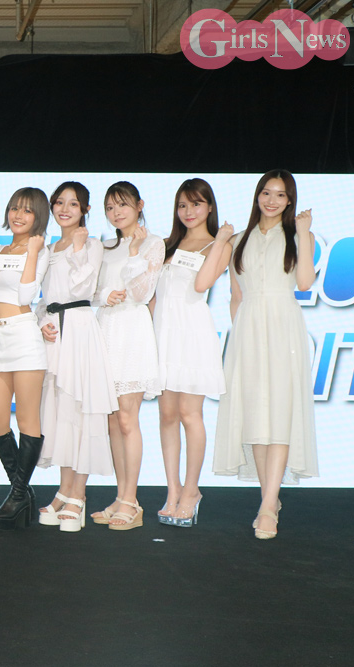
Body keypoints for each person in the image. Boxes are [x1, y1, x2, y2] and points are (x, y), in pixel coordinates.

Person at [205, 169, 318, 539]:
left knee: (281, 411)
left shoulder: (299, 236)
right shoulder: (239, 239)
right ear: (257, 196)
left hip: (284, 326)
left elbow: (304, 283)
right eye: (267, 193)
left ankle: (269, 505)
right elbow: (235, 296)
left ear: (290, 201)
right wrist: (239, 336)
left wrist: (303, 233)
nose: (272, 200)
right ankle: (267, 498)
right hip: (248, 330)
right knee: (255, 411)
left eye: (280, 195)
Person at [35, 182, 117, 532]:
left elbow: (83, 288)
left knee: (81, 411)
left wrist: (79, 248)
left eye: (73, 203)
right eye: (59, 202)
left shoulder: (93, 244)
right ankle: (63, 490)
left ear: (85, 209)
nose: (65, 209)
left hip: (80, 330)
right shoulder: (48, 247)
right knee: (61, 413)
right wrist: (42, 321)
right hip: (55, 334)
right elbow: (44, 297)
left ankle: (78, 495)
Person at [151, 178, 226, 527]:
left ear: (209, 207)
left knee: (189, 414)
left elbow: (201, 285)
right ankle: (173, 490)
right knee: (167, 415)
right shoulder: (167, 245)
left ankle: (192, 490)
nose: (189, 211)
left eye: (196, 204)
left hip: (193, 334)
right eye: (183, 205)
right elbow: (153, 296)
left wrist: (221, 241)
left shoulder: (219, 244)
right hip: (162, 335)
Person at [90, 181, 164, 531]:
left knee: (126, 419)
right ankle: (120, 497)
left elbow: (142, 292)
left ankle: (132, 501)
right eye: (110, 207)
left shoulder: (153, 243)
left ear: (139, 205)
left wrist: (134, 252)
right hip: (105, 329)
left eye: (122, 205)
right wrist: (105, 294)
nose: (116, 212)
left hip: (132, 332)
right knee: (111, 421)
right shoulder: (105, 246)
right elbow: (90, 291)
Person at [0, 187, 49, 531]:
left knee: (26, 420)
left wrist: (33, 252)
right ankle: (21, 493)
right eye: (14, 209)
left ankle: (17, 495)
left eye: (27, 210)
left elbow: (25, 295)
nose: (18, 216)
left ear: (38, 216)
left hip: (24, 337)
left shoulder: (41, 250)